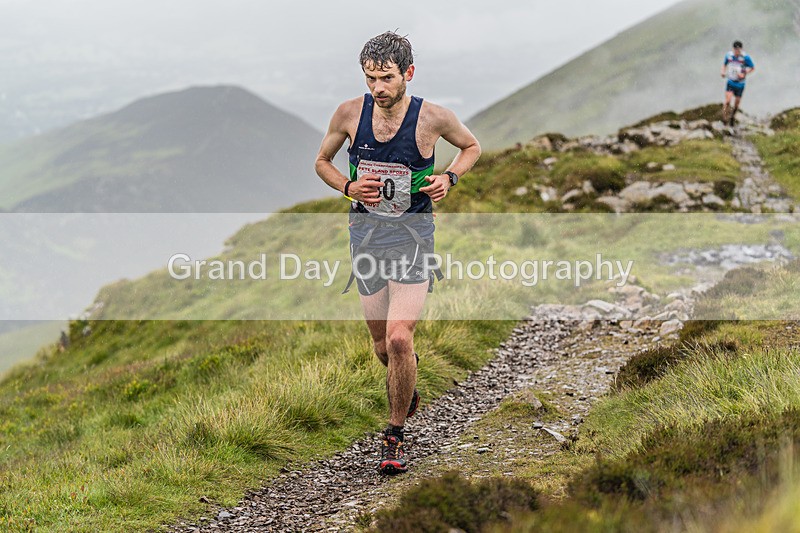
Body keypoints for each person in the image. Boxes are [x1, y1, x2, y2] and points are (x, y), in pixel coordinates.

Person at [314, 31, 481, 475]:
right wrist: (348, 186)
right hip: (366, 238)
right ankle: (406, 376)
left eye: (386, 78)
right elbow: (321, 162)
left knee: (400, 338)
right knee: (381, 346)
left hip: (413, 237)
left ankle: (394, 435)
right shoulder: (349, 114)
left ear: (408, 73)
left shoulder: (434, 118)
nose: (378, 88)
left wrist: (449, 178)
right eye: (370, 78)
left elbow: (472, 147)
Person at [721, 40, 755, 126]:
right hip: (731, 81)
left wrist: (744, 73)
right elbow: (724, 64)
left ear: (741, 49)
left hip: (740, 84)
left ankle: (732, 118)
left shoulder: (745, 57)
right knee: (728, 101)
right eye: (735, 50)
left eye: (738, 50)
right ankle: (724, 119)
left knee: (736, 105)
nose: (737, 51)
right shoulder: (729, 56)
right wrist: (723, 72)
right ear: (733, 49)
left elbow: (752, 68)